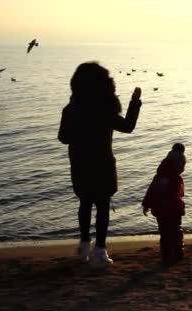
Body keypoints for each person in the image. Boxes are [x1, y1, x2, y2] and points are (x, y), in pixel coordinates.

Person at [58, 62, 142, 267]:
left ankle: (84, 245)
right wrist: (135, 102)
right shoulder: (104, 110)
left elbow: (63, 137)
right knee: (102, 206)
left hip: (79, 165)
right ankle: (100, 252)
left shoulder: (71, 109)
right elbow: (128, 126)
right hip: (102, 165)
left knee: (85, 203)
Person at [142, 143, 186, 265]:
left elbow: (151, 191)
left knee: (165, 232)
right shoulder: (176, 179)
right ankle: (177, 252)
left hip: (161, 209)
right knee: (175, 230)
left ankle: (166, 254)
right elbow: (178, 194)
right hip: (171, 209)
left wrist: (146, 204)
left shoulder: (159, 177)